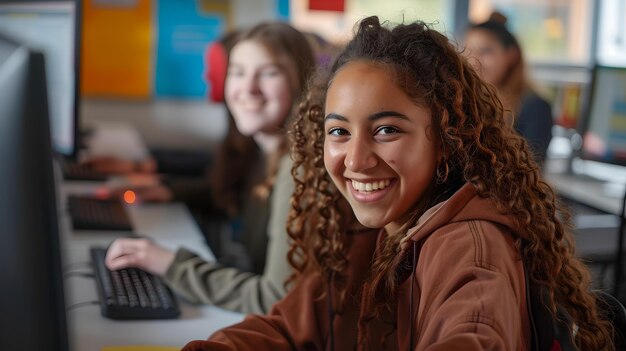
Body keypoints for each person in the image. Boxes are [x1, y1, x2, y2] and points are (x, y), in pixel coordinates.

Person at [181, 16, 613, 350]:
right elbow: (288, 328)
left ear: (445, 140)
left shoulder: (471, 248)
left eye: (386, 130)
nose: (355, 160)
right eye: (338, 131)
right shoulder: (370, 230)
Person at [104, 21, 316, 315]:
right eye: (238, 72)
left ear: (301, 83)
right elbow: (233, 196)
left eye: (269, 73)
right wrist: (168, 191)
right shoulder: (261, 152)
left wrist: (171, 264)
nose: (248, 88)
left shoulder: (299, 171)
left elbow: (276, 298)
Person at [463, 12, 553, 165]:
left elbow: (529, 166)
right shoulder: (464, 101)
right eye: (468, 50)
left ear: (511, 56)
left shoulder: (534, 106)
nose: (474, 60)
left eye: (486, 51)